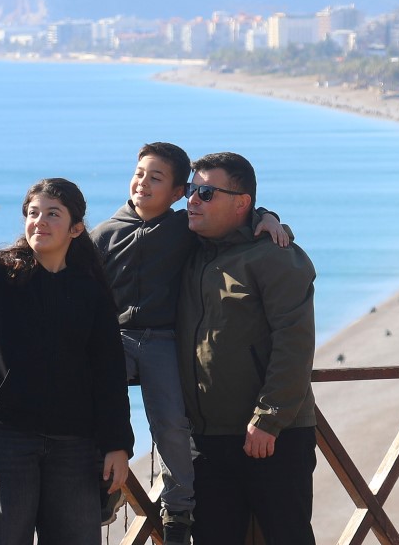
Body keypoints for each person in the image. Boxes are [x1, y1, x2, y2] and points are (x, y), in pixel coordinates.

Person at [0, 160, 133, 545]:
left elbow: (109, 373)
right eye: (32, 213)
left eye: (52, 214)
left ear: (76, 228)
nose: (39, 221)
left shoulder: (91, 292)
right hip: (3, 440)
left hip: (75, 445)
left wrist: (118, 444)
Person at [89, 142, 288, 544]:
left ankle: (177, 511)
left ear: (180, 193)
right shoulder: (104, 234)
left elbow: (237, 223)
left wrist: (268, 217)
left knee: (172, 425)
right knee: (93, 397)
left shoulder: (186, 227)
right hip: (118, 339)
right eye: (140, 173)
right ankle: (104, 485)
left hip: (164, 340)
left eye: (156, 178)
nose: (143, 182)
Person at [177, 151, 316, 545]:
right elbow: (138, 221)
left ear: (241, 203)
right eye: (190, 189)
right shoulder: (190, 246)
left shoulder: (274, 255)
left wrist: (269, 419)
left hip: (272, 436)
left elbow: (295, 340)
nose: (192, 200)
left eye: (206, 192)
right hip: (206, 439)